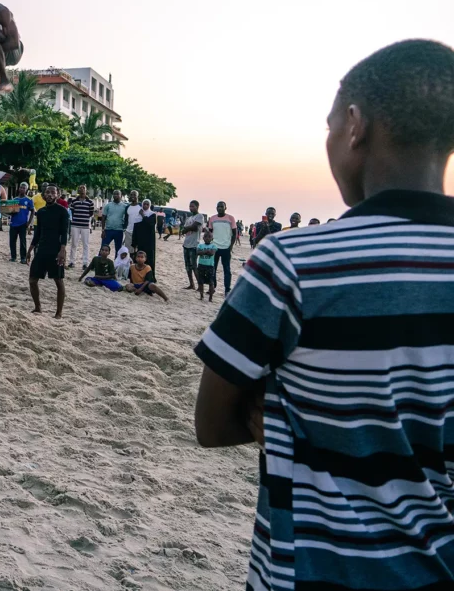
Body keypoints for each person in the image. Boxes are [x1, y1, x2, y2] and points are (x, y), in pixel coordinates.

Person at [193, 38, 454, 590]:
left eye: (331, 127)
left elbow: (211, 425)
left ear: (355, 126)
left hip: (310, 572)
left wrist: (285, 412)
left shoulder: (297, 262)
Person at [27, 185, 70, 318]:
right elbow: (38, 233)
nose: (50, 194)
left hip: (56, 249)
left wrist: (62, 250)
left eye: (53, 192)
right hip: (42, 249)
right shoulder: (41, 212)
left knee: (58, 280)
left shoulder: (62, 211)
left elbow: (65, 233)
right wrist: (30, 249)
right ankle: (38, 307)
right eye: (47, 192)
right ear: (43, 195)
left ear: (57, 195)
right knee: (33, 280)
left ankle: (59, 312)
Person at [207, 201, 237, 295]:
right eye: (218, 207)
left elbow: (234, 234)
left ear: (225, 208)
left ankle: (227, 289)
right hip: (215, 247)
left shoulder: (230, 218)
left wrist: (231, 246)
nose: (220, 208)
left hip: (226, 248)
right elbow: (210, 233)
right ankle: (212, 287)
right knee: (212, 268)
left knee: (227, 269)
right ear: (216, 208)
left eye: (222, 206)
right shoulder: (212, 218)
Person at [67, 185, 95, 269]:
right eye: (80, 188)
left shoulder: (90, 202)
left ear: (86, 190)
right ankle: (72, 262)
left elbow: (91, 213)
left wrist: (85, 219)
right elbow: (72, 211)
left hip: (85, 226)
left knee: (85, 245)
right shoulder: (74, 201)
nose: (81, 189)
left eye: (83, 188)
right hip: (75, 225)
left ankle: (85, 263)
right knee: (73, 244)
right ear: (78, 190)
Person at [180, 200, 204, 290]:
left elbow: (195, 227)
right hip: (186, 244)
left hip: (194, 244)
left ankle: (199, 285)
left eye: (193, 206)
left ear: (197, 207)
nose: (191, 208)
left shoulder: (199, 216)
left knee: (194, 266)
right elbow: (184, 230)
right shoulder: (189, 218)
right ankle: (191, 284)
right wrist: (186, 229)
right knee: (187, 266)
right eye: (190, 206)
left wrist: (186, 228)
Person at [8, 182, 35, 263]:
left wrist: (29, 222)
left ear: (26, 189)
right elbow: (9, 211)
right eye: (21, 187)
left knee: (23, 241)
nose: (22, 189)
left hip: (23, 224)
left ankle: (23, 258)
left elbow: (33, 211)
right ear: (18, 188)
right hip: (13, 223)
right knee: (12, 241)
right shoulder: (14, 200)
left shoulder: (29, 200)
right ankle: (13, 257)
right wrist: (11, 211)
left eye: (24, 188)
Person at [132, 199, 159, 278]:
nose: (145, 206)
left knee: (149, 259)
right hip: (140, 241)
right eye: (144, 204)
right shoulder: (137, 216)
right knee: (139, 258)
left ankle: (150, 277)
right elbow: (135, 229)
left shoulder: (152, 214)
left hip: (149, 242)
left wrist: (143, 215)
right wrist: (134, 242)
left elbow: (149, 224)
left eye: (147, 204)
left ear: (149, 205)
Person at [195, 227, 217, 302]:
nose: (207, 238)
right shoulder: (200, 245)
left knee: (211, 282)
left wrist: (203, 252)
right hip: (201, 265)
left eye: (209, 237)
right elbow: (198, 253)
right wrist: (207, 251)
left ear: (212, 238)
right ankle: (201, 296)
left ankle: (210, 297)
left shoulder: (213, 246)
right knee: (200, 282)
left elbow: (212, 253)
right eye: (206, 237)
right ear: (203, 238)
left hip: (210, 266)